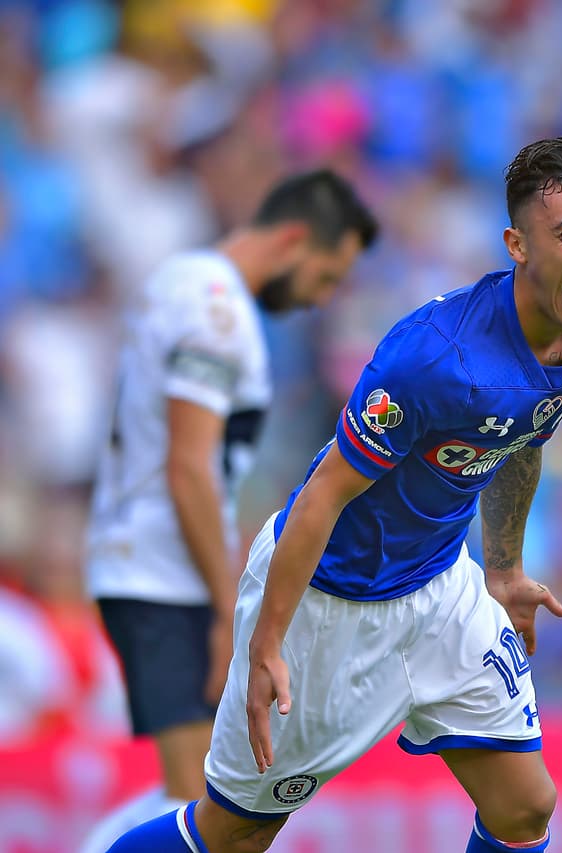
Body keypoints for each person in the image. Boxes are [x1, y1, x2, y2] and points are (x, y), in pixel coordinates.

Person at [105, 135, 562, 853]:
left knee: (525, 807)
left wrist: (503, 569)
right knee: (233, 834)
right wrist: (267, 642)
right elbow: (322, 496)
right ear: (517, 245)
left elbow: (523, 435)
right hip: (327, 601)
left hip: (440, 587)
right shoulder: (433, 360)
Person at [81, 169, 379, 853]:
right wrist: (226, 609)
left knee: (195, 800)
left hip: (148, 563)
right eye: (325, 277)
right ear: (294, 239)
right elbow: (189, 466)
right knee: (196, 804)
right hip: (160, 574)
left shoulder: (182, 280)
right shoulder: (216, 312)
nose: (318, 300)